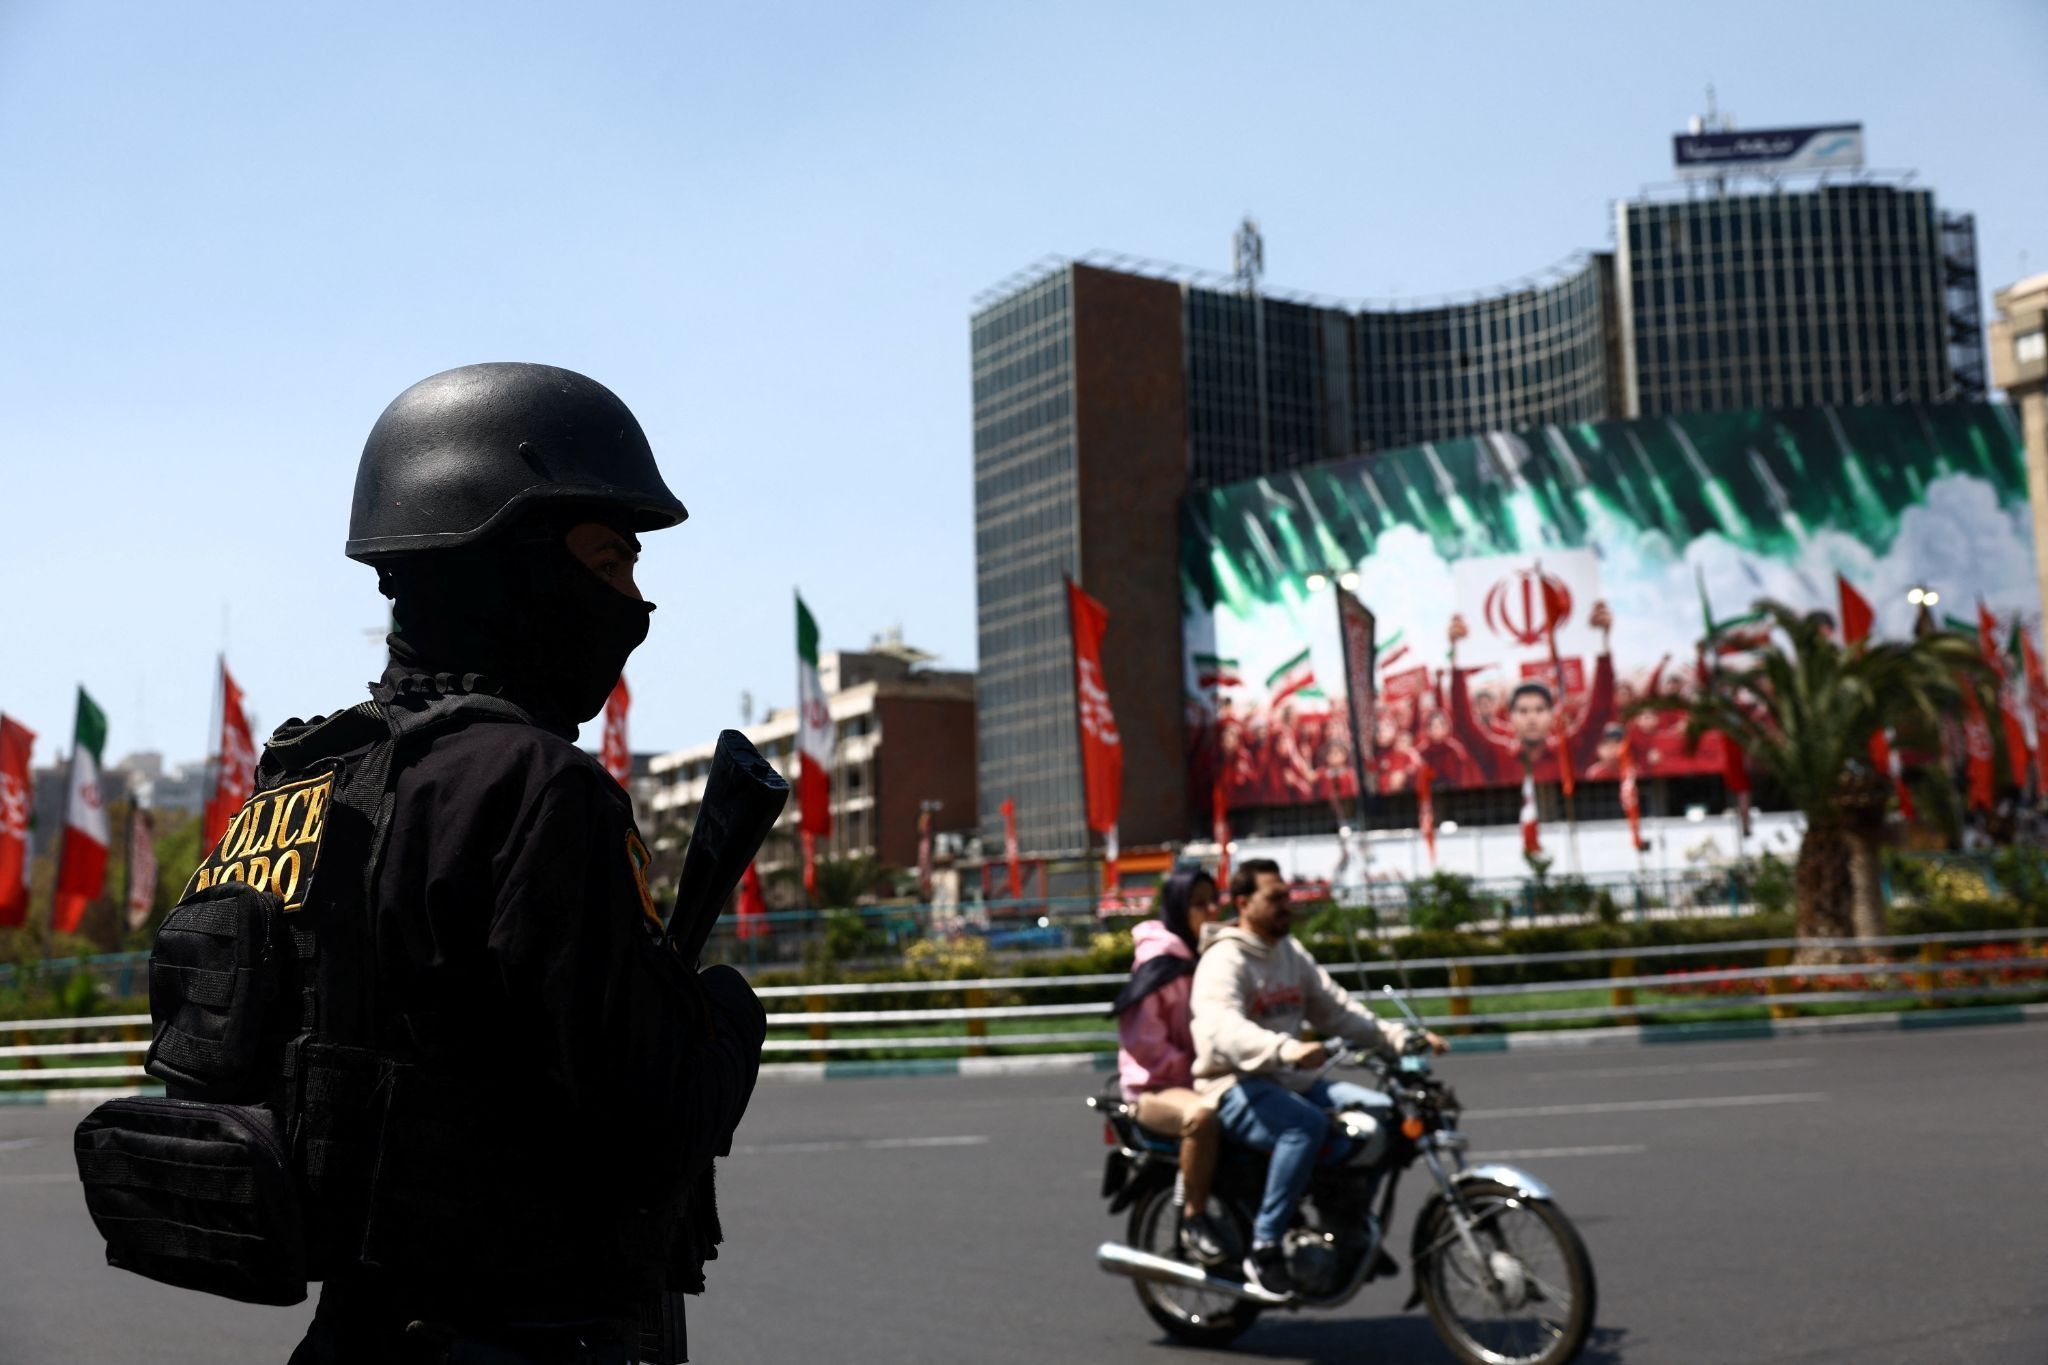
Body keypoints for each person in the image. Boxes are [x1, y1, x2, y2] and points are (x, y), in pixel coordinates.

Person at [281, 362, 769, 1363]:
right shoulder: (531, 786)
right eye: (609, 563)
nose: (636, 603)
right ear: (508, 565)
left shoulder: (313, 775)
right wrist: (722, 1010)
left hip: (353, 1332)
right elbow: (659, 1103)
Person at [1190, 859, 1445, 1297]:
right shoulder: (1224, 959)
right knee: (1303, 1126)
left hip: (1289, 1079)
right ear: (1243, 903)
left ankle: (1345, 1227)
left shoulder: (1290, 954)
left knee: (1383, 1113)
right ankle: (1265, 1246)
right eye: (1274, 898)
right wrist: (1285, 1049)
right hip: (1232, 1083)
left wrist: (1400, 1038)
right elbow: (1222, 1029)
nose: (1285, 906)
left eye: (1286, 896)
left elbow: (1337, 1010)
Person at [1110, 869, 1229, 1262]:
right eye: (1198, 903)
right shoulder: (1160, 964)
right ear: (1179, 908)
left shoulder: (1207, 954)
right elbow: (1146, 1045)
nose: (1210, 910)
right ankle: (1194, 1218)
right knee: (1202, 1118)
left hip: (1203, 1075)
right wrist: (1198, 1071)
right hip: (1156, 1086)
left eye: (1214, 900)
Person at [1446, 602, 1616, 785]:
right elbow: (1464, 721)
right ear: (1510, 717)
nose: (1532, 718)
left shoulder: (1570, 752)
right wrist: (1458, 652)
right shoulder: (1496, 754)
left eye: (1539, 710)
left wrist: (1602, 641)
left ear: (1552, 714)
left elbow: (1598, 710)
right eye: (1523, 711)